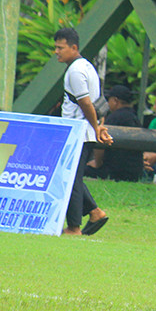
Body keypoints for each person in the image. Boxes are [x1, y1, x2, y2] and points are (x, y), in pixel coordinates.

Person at [54, 27, 111, 236]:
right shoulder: (86, 66)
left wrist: (96, 127)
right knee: (71, 176)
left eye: (60, 48)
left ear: (74, 47)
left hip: (78, 131)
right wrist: (98, 125)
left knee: (71, 179)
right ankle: (95, 212)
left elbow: (86, 103)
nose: (57, 52)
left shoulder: (75, 71)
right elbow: (97, 102)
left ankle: (74, 226)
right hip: (84, 130)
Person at [86, 84, 143, 182]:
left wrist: (97, 163)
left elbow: (101, 143)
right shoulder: (135, 118)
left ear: (115, 101)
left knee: (81, 170)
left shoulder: (114, 117)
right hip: (134, 173)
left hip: (114, 172)